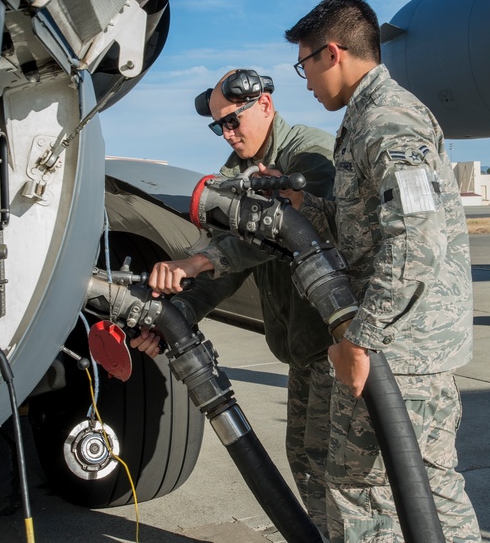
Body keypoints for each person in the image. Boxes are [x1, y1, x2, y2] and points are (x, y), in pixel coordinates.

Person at [277, 0, 481, 542]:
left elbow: (417, 236)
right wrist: (309, 210)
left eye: (305, 66)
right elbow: (373, 227)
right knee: (431, 489)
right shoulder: (369, 117)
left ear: (332, 53)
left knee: (364, 492)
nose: (309, 82)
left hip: (398, 350)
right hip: (407, 344)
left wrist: (361, 340)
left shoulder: (386, 120)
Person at [132, 68, 337, 534]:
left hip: (338, 344)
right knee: (306, 460)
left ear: (265, 104)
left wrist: (196, 261)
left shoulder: (312, 155)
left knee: (341, 474)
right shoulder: (238, 171)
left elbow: (280, 236)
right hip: (304, 349)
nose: (227, 133)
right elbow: (228, 263)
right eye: (218, 126)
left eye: (233, 120)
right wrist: (175, 315)